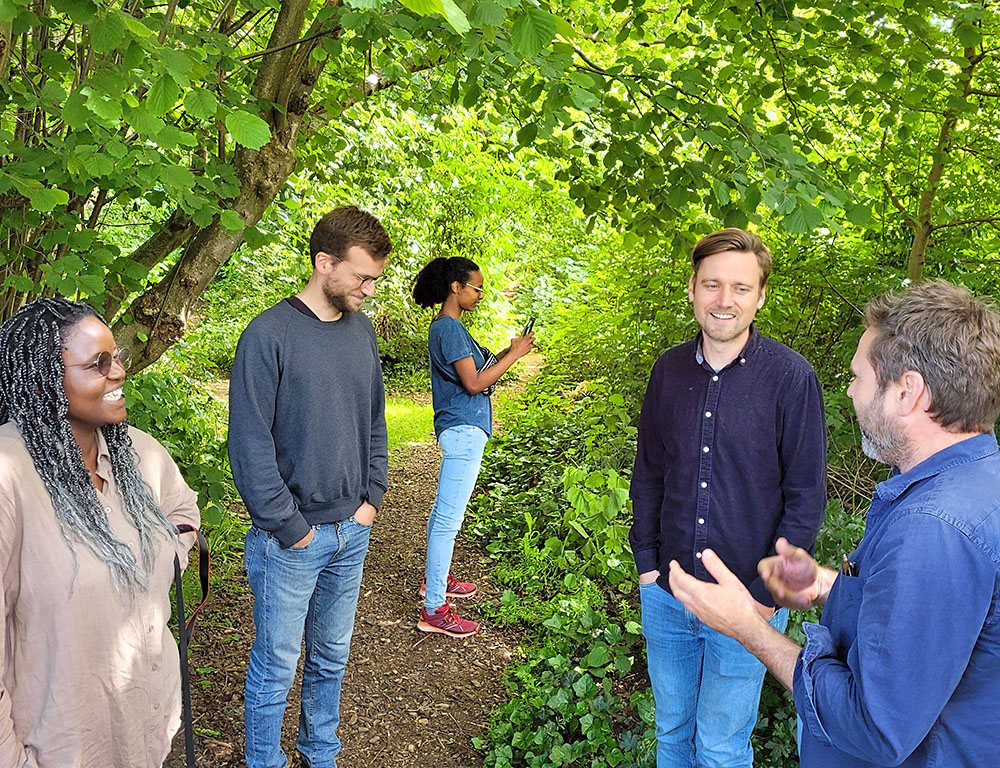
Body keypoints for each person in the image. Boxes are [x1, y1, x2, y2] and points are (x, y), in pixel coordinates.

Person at [668, 280, 1000, 767]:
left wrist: (745, 626)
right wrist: (825, 585)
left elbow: (873, 729)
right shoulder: (972, 480)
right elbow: (914, 621)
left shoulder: (934, 528)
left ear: (907, 392)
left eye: (859, 377)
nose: (849, 389)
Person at [629, 228, 828, 767]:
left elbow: (806, 493)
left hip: (750, 602)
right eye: (712, 285)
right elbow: (648, 472)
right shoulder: (667, 371)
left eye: (741, 288)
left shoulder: (791, 377)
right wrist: (648, 565)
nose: (724, 301)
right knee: (671, 735)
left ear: (760, 296)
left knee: (720, 747)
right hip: (668, 594)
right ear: (692, 288)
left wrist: (770, 597)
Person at [0, 298, 200, 768]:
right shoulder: (10, 477)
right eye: (98, 363)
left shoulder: (138, 454)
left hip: (145, 730)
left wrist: (164, 550)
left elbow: (183, 507)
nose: (119, 373)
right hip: (59, 746)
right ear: (43, 379)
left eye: (117, 358)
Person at [229, 206, 392, 768]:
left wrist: (372, 498)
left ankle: (320, 752)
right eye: (362, 277)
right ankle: (265, 761)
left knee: (331, 657)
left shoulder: (360, 332)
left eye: (374, 278)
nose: (369, 289)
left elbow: (375, 419)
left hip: (353, 530)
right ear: (324, 263)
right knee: (276, 665)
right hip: (289, 542)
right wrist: (291, 528)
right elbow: (249, 446)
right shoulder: (268, 335)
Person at [411, 257, 534, 637]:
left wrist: (506, 351)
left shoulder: (454, 329)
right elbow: (474, 384)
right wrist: (515, 355)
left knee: (443, 516)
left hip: (464, 428)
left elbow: (479, 372)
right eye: (476, 288)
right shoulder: (447, 328)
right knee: (448, 521)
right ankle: (434, 609)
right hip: (462, 429)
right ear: (456, 287)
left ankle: (437, 581)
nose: (480, 294)